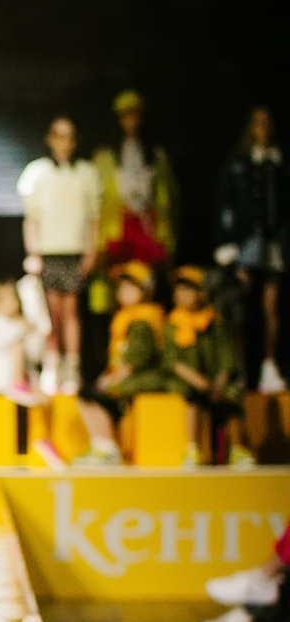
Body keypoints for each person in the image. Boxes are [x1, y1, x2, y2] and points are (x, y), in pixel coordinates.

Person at [17, 117, 100, 395]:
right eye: (59, 136)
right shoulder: (37, 172)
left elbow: (93, 217)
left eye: (70, 136)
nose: (65, 142)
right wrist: (33, 253)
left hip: (74, 251)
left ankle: (72, 367)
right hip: (48, 252)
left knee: (70, 311)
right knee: (50, 314)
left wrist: (91, 251)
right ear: (50, 139)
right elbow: (31, 218)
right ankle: (52, 366)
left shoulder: (86, 172)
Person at [215, 105, 285, 393]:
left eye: (267, 123)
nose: (263, 128)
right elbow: (225, 204)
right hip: (246, 242)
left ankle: (269, 363)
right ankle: (240, 368)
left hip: (274, 241)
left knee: (271, 306)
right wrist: (225, 242)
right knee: (240, 306)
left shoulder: (279, 163)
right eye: (258, 123)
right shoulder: (238, 163)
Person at [73, 262, 168, 463]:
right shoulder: (124, 317)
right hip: (126, 375)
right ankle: (101, 443)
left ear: (145, 291)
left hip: (145, 376)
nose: (123, 292)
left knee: (97, 393)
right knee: (89, 392)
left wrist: (112, 378)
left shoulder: (144, 319)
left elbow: (137, 359)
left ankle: (107, 447)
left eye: (131, 287)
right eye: (121, 287)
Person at [164, 267, 253, 467]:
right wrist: (197, 380)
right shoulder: (173, 323)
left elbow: (226, 355)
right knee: (192, 397)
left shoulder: (214, 321)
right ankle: (192, 448)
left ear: (202, 293)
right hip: (188, 381)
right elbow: (170, 360)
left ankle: (237, 448)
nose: (182, 295)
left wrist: (220, 381)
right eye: (179, 290)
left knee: (231, 395)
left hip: (214, 381)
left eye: (189, 290)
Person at [93, 89, 178, 271]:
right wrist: (98, 242)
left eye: (135, 115)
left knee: (144, 276)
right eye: (126, 116)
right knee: (118, 275)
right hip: (117, 228)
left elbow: (165, 198)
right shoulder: (105, 157)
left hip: (147, 225)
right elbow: (98, 200)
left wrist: (166, 237)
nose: (131, 121)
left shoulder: (156, 156)